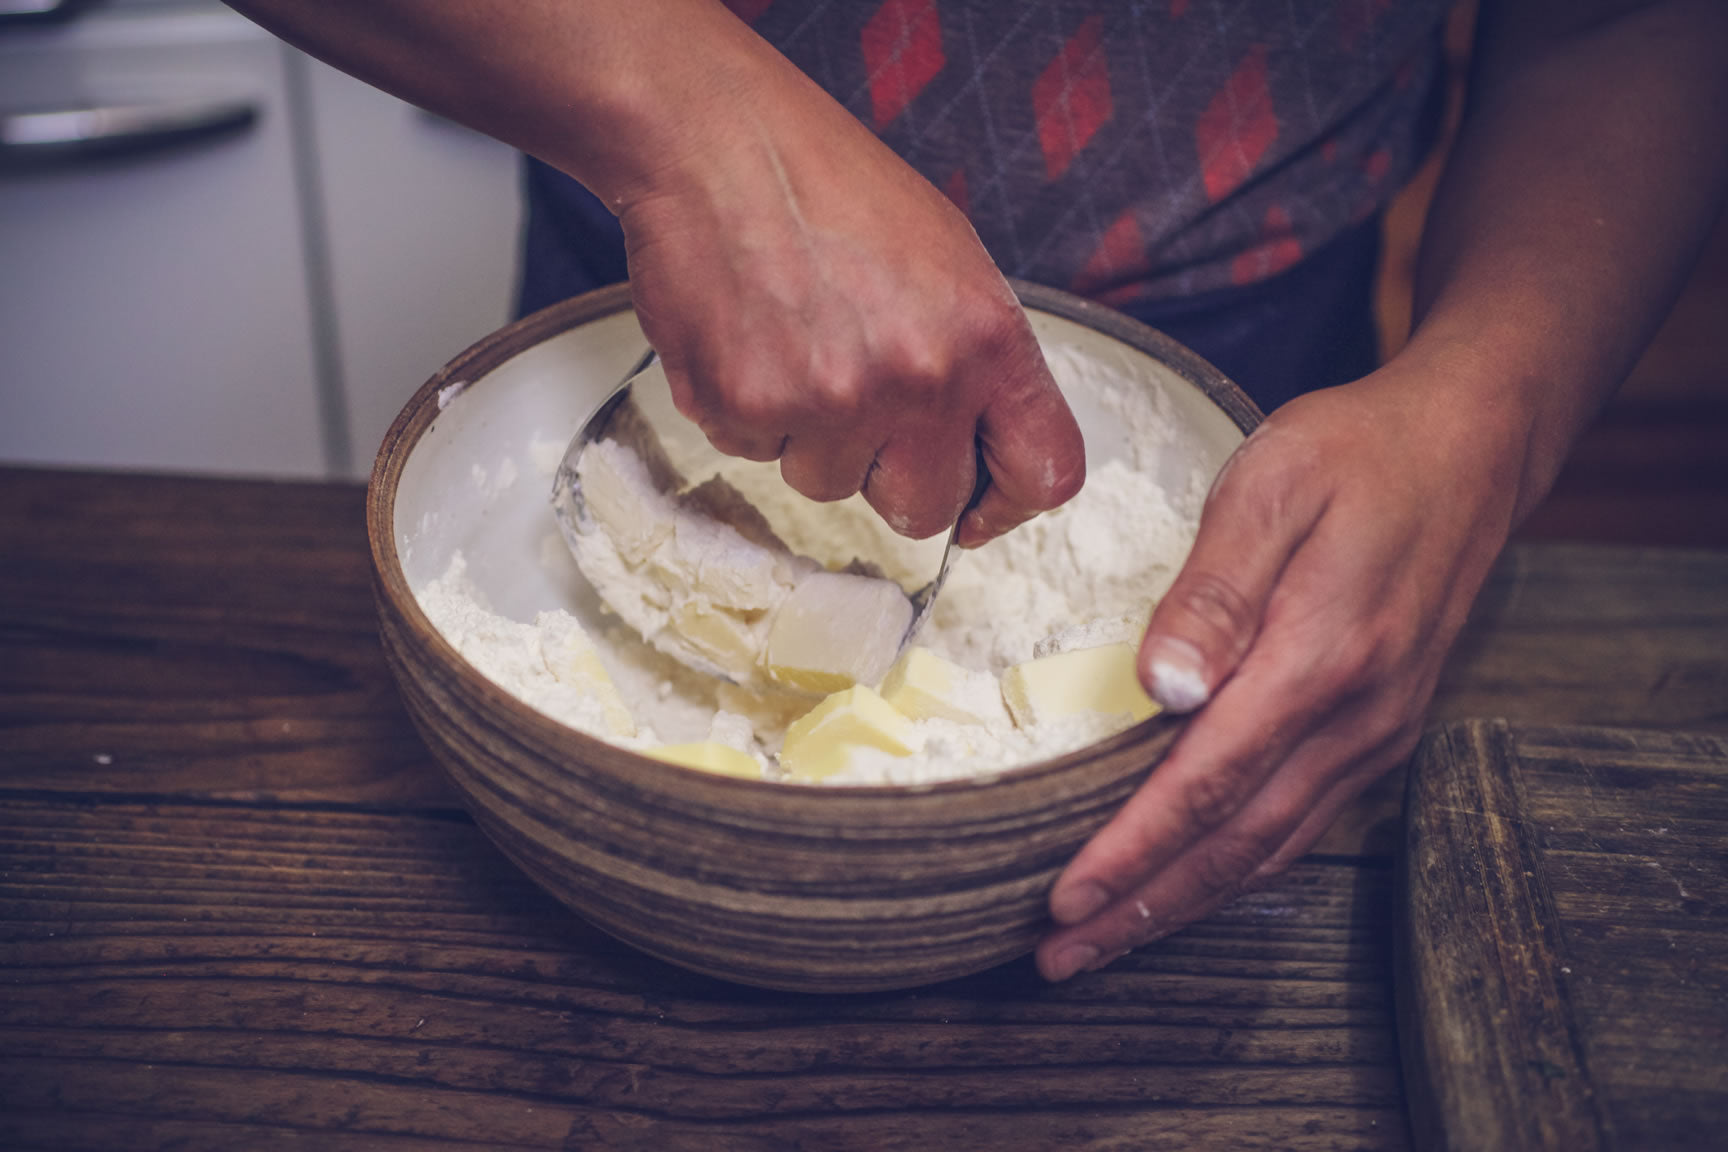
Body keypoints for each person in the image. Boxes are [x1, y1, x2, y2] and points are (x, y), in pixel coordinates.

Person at [227, 0, 1728, 981]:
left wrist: (1485, 404)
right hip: (663, 328)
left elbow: (1631, 24)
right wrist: (687, 112)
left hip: (1260, 369)